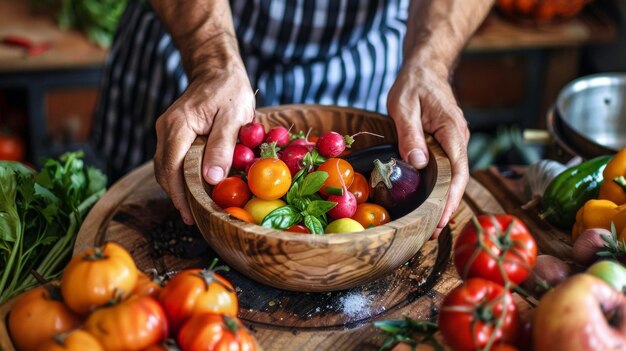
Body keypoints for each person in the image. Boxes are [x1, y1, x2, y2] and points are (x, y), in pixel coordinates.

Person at [91, 0, 494, 238]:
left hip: (360, 57)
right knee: (145, 220)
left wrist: (431, 62)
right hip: (190, 43)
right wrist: (211, 58)